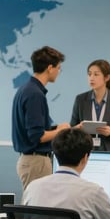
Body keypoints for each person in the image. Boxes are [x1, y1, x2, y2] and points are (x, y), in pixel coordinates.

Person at [12, 46, 70, 190]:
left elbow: (35, 128)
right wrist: (60, 131)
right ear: (50, 68)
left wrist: (61, 129)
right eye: (58, 68)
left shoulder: (25, 89)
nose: (59, 72)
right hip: (36, 162)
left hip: (29, 160)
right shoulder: (35, 94)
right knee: (37, 208)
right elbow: (37, 136)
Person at [70, 59, 110, 152]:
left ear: (107, 77)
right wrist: (77, 128)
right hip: (85, 151)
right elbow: (72, 129)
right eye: (89, 74)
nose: (91, 78)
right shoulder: (80, 99)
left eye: (96, 74)